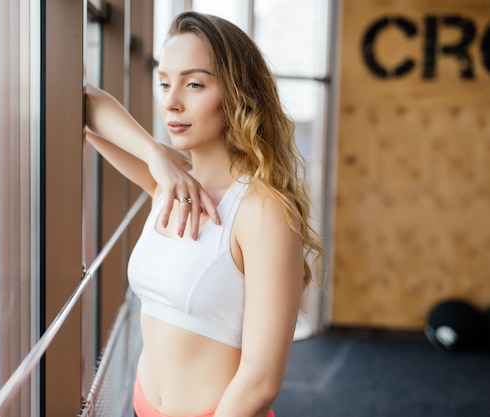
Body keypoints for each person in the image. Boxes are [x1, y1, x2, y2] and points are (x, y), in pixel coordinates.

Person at [85, 11, 323, 417]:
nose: (171, 101)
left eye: (194, 84)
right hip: (143, 407)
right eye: (164, 83)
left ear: (237, 94)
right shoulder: (171, 185)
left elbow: (261, 383)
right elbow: (81, 101)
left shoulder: (264, 212)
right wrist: (156, 155)